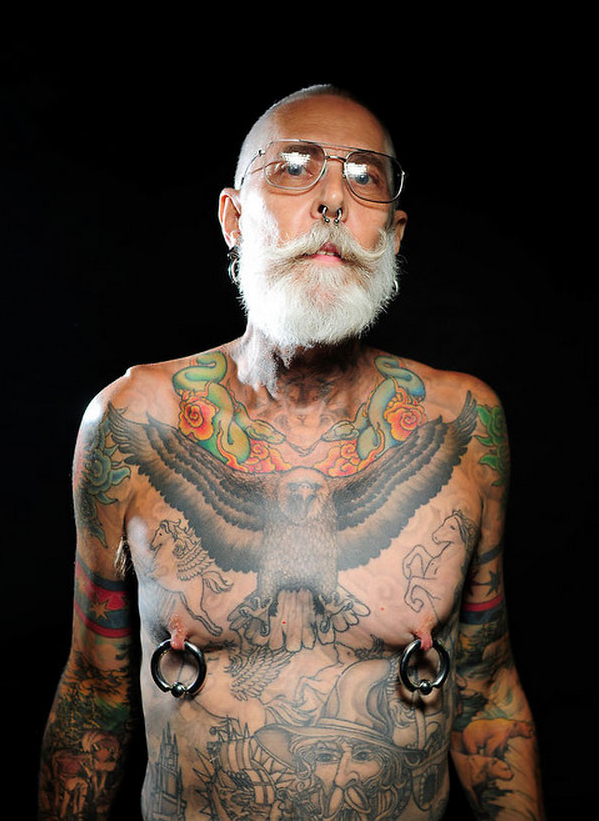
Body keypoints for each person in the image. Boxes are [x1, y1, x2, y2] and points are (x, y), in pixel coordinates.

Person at [38, 84, 545, 820]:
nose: (333, 200)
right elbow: (91, 695)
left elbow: (489, 690)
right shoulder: (132, 421)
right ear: (232, 217)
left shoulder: (464, 423)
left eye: (364, 177)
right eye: (293, 168)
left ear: (393, 235)